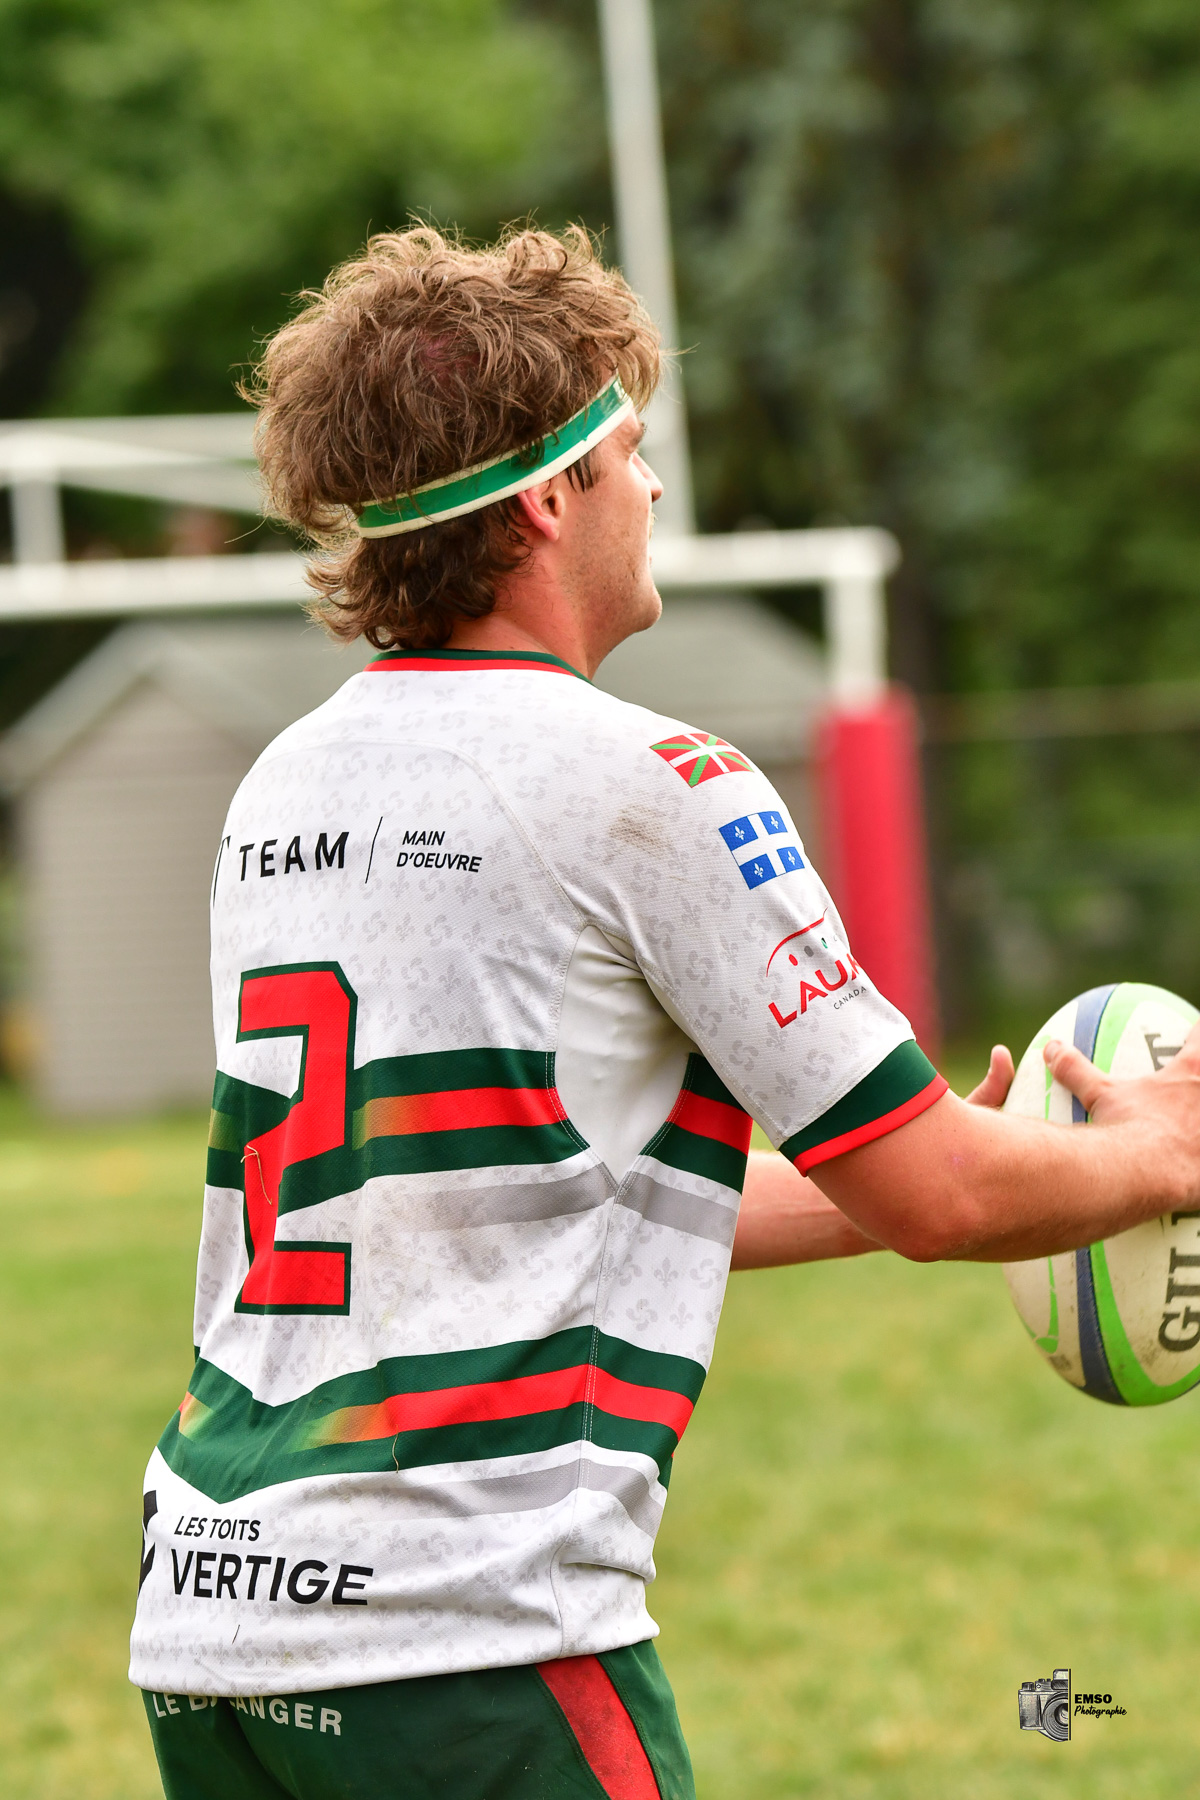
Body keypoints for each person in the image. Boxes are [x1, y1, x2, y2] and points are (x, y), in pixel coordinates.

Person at [130, 226, 1200, 1800]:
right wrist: (1164, 1159)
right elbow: (946, 1192)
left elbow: (517, 1200)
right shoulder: (650, 782)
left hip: (215, 1626)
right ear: (548, 499)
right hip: (462, 1647)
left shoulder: (283, 783)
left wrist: (874, 1193)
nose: (651, 494)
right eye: (631, 453)